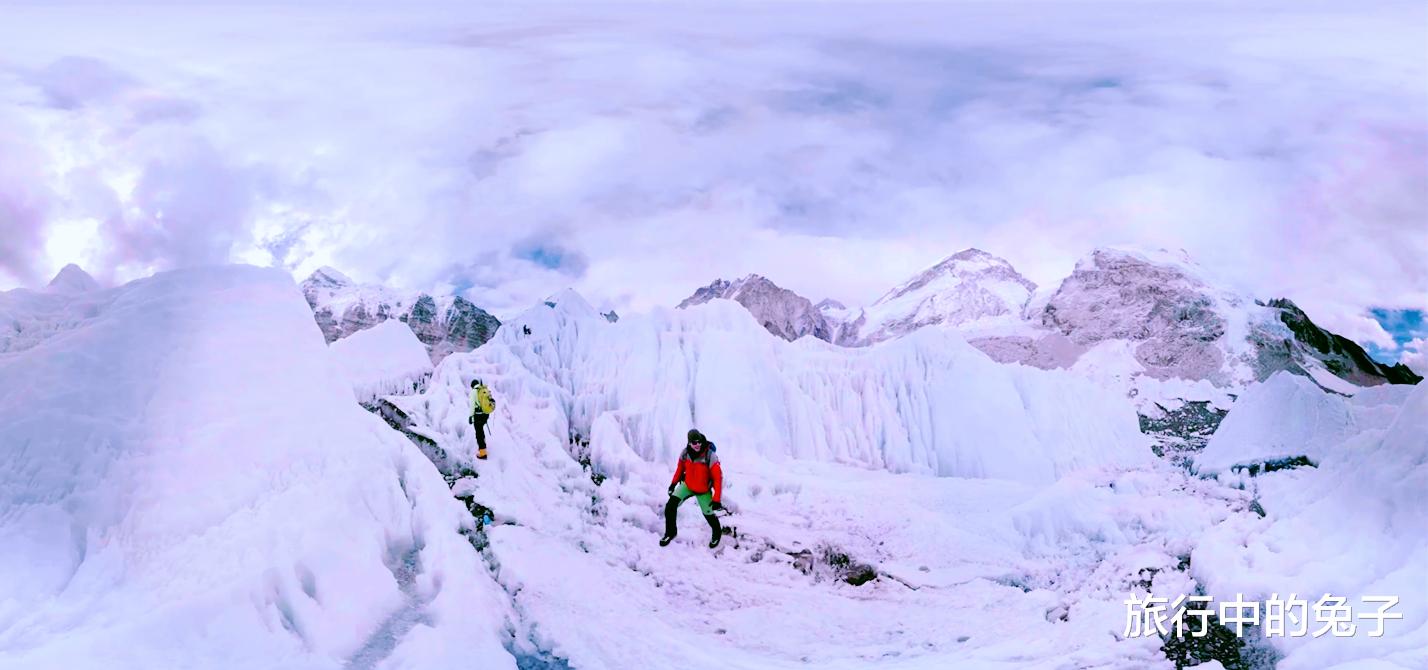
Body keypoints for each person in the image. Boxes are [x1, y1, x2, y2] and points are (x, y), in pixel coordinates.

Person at [660, 429, 724, 548]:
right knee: (670, 506)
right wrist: (673, 484)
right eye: (694, 443)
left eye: (699, 441)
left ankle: (717, 532)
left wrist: (716, 499)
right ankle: (670, 532)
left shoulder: (710, 455)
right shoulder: (685, 453)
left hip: (703, 490)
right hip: (688, 486)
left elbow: (718, 478)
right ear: (689, 443)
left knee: (708, 514)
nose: (697, 445)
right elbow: (679, 469)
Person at [469, 379, 495, 460]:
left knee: (478, 433)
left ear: (472, 386)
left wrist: (470, 416)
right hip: (485, 415)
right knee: (481, 430)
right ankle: (483, 446)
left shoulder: (474, 391)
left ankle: (483, 453)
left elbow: (472, 405)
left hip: (478, 415)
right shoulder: (483, 389)